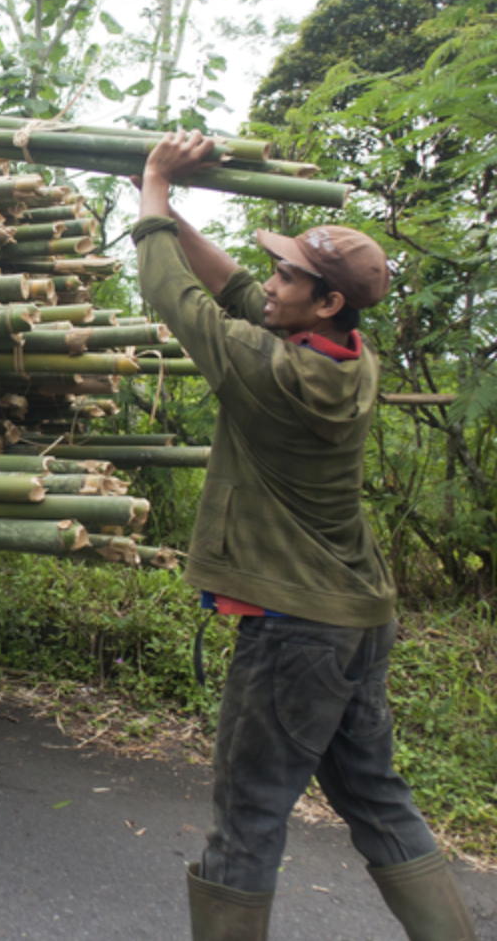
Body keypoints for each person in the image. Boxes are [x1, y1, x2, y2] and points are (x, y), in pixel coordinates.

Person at [134, 130, 475, 941]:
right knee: (377, 797)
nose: (274, 282)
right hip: (359, 620)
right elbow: (240, 290)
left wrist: (151, 185)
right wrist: (168, 206)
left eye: (293, 274)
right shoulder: (348, 355)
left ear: (326, 302)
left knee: (247, 820)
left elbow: (172, 296)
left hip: (296, 635)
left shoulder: (273, 371)